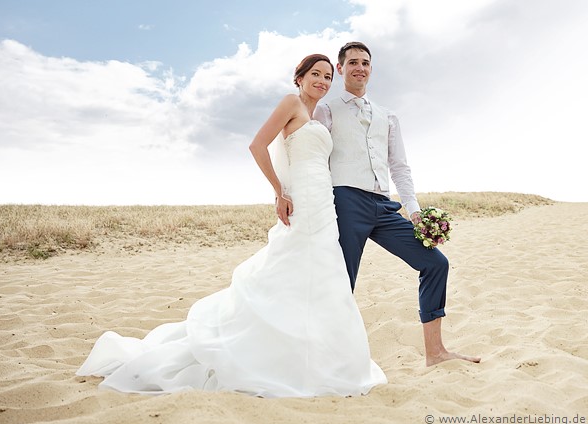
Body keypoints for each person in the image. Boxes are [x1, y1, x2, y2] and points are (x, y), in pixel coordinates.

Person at [76, 54, 387, 398]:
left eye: (328, 76)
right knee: (291, 267)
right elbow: (257, 145)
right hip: (301, 201)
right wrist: (278, 191)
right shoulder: (291, 103)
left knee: (321, 275)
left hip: (323, 203)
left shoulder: (317, 115)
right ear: (299, 77)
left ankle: (313, 360)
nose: (323, 81)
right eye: (316, 74)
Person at [314, 42, 481, 367]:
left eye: (365, 63)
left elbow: (399, 167)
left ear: (371, 70)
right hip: (346, 201)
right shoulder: (327, 110)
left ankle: (435, 353)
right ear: (341, 68)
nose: (359, 68)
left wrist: (414, 210)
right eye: (352, 63)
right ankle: (325, 361)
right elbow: (317, 159)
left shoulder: (387, 115)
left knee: (435, 264)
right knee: (341, 281)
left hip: (384, 206)